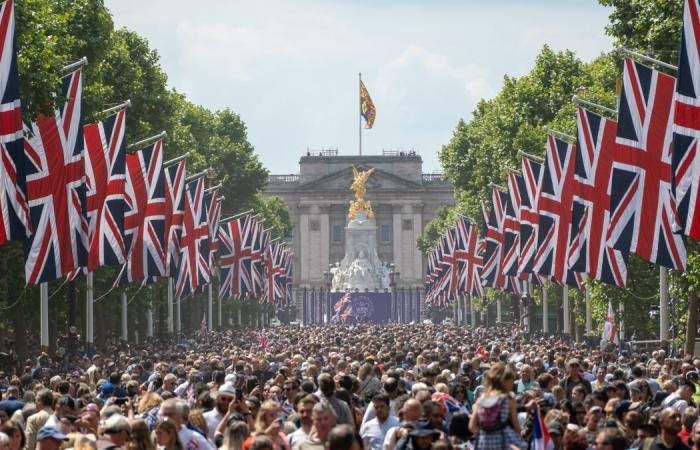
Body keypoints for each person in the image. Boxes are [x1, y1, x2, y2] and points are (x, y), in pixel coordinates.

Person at [468, 363, 525, 449]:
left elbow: (472, 426)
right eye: (511, 381)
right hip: (502, 442)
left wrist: (485, 434)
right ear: (504, 382)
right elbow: (517, 428)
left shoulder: (482, 398)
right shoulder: (509, 398)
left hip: (483, 443)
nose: (512, 384)